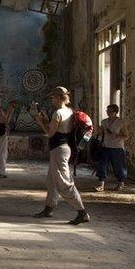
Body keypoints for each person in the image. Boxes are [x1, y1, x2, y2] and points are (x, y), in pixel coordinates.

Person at [32, 86, 91, 225]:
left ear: (58, 98)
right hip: (64, 148)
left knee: (63, 182)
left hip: (58, 149)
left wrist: (40, 121)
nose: (51, 100)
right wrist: (46, 119)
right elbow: (57, 129)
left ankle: (82, 212)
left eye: (52, 97)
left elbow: (49, 133)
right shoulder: (69, 111)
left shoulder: (57, 113)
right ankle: (48, 208)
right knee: (52, 180)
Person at [95, 104, 128, 192]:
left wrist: (117, 136)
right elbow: (101, 134)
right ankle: (101, 184)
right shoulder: (104, 122)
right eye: (107, 111)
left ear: (115, 112)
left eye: (110, 111)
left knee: (119, 166)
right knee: (102, 165)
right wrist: (99, 132)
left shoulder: (121, 122)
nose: (108, 113)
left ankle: (121, 183)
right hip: (105, 146)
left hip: (117, 147)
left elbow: (126, 136)